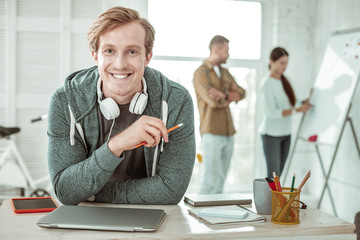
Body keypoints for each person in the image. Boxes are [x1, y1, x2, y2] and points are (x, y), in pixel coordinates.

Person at [47, 6, 196, 205]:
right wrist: (117, 145)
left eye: (132, 51)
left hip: (150, 218)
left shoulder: (176, 101)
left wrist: (94, 194)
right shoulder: (65, 100)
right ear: (95, 56)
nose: (119, 64)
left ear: (147, 57)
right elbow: (65, 190)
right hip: (87, 218)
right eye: (109, 51)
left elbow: (170, 190)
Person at [193, 35, 246, 194]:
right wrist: (230, 94)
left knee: (222, 178)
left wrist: (225, 94)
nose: (228, 54)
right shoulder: (201, 73)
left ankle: (215, 213)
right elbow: (212, 101)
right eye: (226, 50)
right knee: (210, 177)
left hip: (229, 131)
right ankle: (200, 213)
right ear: (216, 50)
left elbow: (242, 92)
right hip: (211, 132)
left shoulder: (225, 72)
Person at [259, 47, 312, 178]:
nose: (285, 66)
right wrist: (297, 110)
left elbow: (292, 102)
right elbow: (272, 113)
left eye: (286, 62)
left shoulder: (285, 80)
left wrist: (305, 101)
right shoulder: (267, 84)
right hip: (271, 135)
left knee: (279, 175)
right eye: (282, 63)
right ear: (271, 61)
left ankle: (274, 199)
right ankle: (270, 199)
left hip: (286, 133)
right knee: (273, 176)